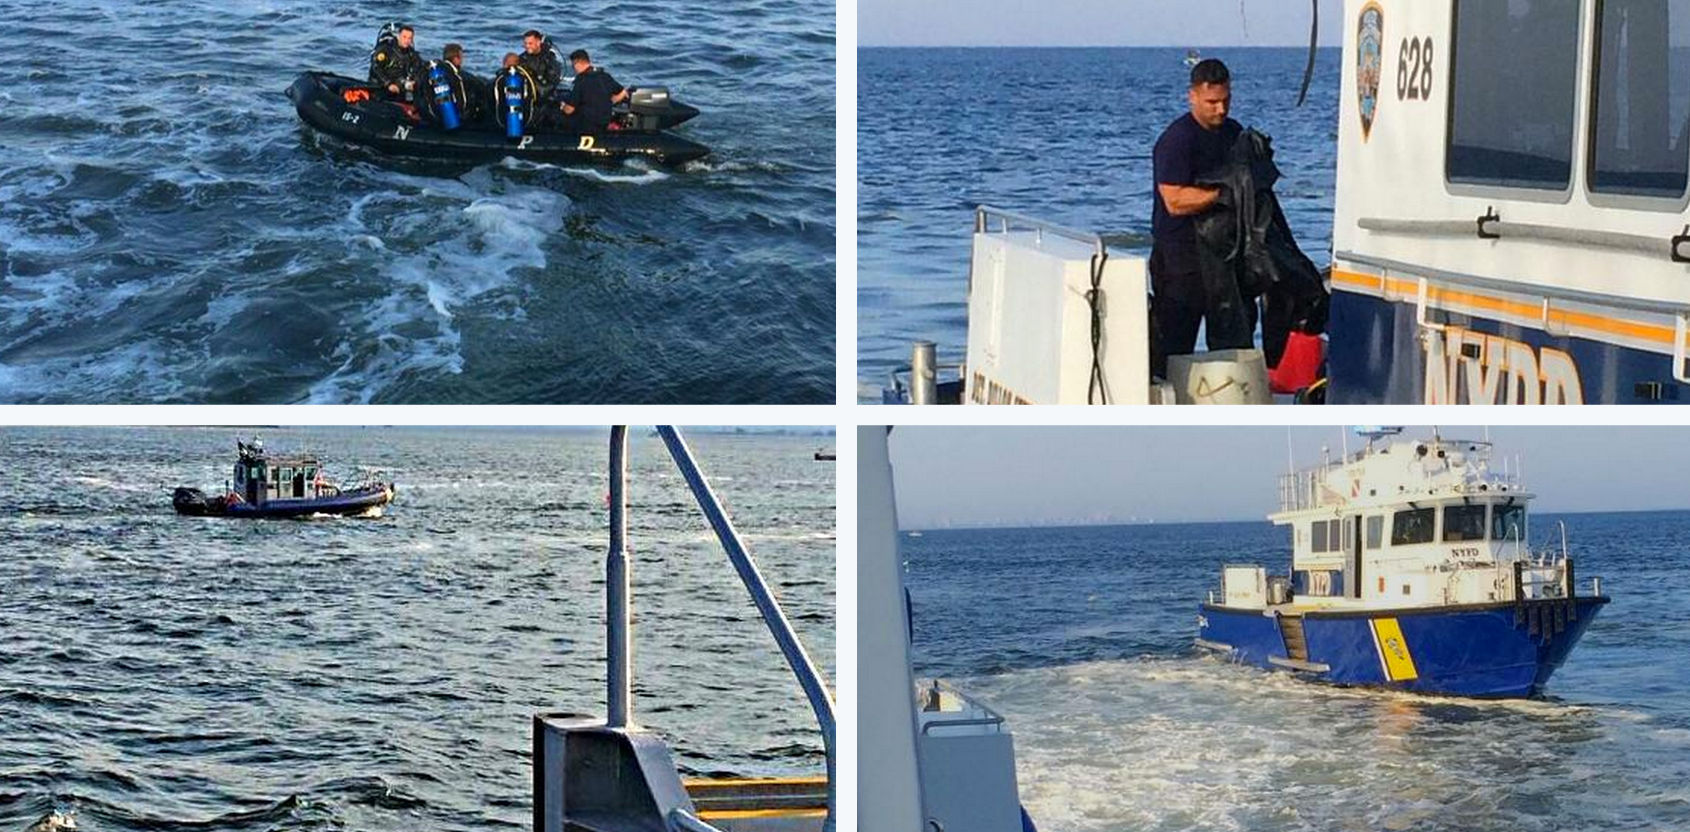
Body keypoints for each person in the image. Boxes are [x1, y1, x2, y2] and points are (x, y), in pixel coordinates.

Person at [1149, 58, 1247, 379]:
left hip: (1225, 259)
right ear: (1192, 97)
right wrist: (1222, 195)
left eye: (1226, 101)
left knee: (1234, 346)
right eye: (1212, 103)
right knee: (1175, 349)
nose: (1220, 110)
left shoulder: (1234, 133)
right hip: (1180, 262)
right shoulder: (1177, 140)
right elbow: (1174, 200)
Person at [561, 49, 628, 135]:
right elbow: (623, 92)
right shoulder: (604, 76)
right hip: (604, 121)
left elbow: (569, 110)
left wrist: (562, 107)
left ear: (577, 64)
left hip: (587, 125)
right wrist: (609, 102)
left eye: (573, 66)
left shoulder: (581, 80)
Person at [369, 23, 425, 101]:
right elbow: (375, 68)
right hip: (380, 86)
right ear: (398, 36)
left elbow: (420, 66)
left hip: (399, 85)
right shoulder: (386, 49)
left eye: (409, 38)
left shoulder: (411, 53)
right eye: (404, 37)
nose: (407, 41)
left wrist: (415, 81)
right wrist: (388, 84)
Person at [435, 43, 488, 124]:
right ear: (456, 59)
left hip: (436, 115)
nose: (462, 60)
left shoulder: (436, 73)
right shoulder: (461, 77)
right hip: (459, 118)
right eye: (462, 57)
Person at [516, 29, 565, 100]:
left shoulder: (549, 59)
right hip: (527, 95)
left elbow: (552, 82)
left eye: (530, 43)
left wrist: (536, 89)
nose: (527, 46)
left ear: (538, 42)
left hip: (546, 97)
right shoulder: (522, 58)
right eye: (525, 43)